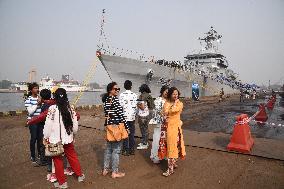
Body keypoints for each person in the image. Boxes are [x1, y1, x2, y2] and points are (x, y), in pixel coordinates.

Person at [43, 88, 85, 188]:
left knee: (57, 161)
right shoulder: (71, 108)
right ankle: (80, 175)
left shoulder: (52, 108)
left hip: (55, 139)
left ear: (55, 97)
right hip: (68, 138)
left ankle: (62, 183)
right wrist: (74, 135)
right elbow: (75, 126)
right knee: (72, 157)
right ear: (66, 96)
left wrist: (45, 137)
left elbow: (48, 125)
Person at [102, 82, 130, 178]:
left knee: (108, 149)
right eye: (115, 89)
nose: (117, 90)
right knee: (116, 150)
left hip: (109, 126)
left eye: (118, 89)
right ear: (110, 90)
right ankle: (115, 172)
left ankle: (105, 169)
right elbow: (121, 116)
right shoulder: (115, 100)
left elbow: (107, 115)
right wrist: (127, 127)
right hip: (117, 126)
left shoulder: (106, 100)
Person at [161, 87, 186, 177]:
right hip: (169, 129)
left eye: (177, 94)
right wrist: (167, 113)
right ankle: (172, 165)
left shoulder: (180, 104)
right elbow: (164, 113)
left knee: (175, 147)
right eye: (173, 94)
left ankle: (171, 168)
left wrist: (174, 104)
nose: (175, 95)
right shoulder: (167, 103)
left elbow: (172, 111)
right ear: (170, 94)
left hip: (176, 129)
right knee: (171, 147)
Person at [25, 82, 43, 164]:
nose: (37, 89)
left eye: (37, 88)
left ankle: (39, 154)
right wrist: (37, 103)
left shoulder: (40, 98)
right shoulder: (28, 99)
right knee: (34, 138)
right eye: (35, 88)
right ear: (31, 90)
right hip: (32, 121)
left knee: (40, 138)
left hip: (40, 121)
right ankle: (33, 155)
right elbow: (30, 112)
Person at [150, 86, 168, 164]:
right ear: (162, 91)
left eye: (168, 92)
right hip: (160, 123)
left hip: (167, 123)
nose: (167, 93)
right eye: (165, 91)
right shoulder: (158, 100)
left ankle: (164, 155)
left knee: (165, 140)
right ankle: (155, 156)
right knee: (157, 139)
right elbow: (157, 111)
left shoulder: (169, 100)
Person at [119, 80, 138, 156]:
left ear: (124, 86)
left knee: (125, 133)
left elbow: (121, 106)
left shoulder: (122, 95)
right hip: (132, 117)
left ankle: (125, 150)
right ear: (131, 86)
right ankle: (132, 149)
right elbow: (136, 106)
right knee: (132, 134)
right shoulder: (134, 95)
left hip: (124, 117)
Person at [137, 84, 155, 150]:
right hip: (147, 115)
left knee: (143, 130)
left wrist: (137, 104)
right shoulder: (149, 96)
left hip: (142, 116)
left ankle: (144, 143)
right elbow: (151, 106)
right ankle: (145, 142)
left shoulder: (142, 96)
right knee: (146, 129)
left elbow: (142, 107)